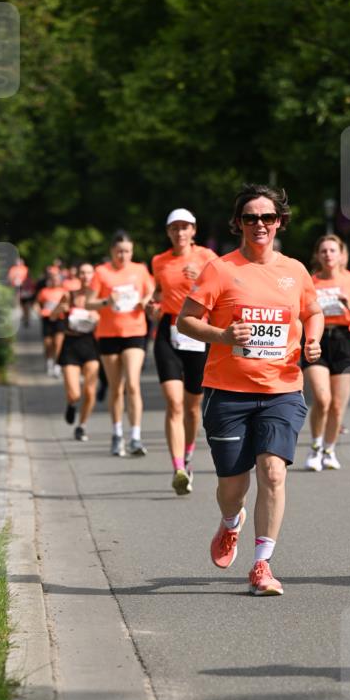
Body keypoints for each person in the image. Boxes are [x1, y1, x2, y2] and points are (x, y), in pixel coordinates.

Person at [177, 183, 323, 596]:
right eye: (250, 217)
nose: (260, 224)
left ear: (280, 222)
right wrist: (222, 335)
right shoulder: (220, 269)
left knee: (273, 472)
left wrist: (313, 339)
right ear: (238, 223)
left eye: (268, 217)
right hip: (228, 391)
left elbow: (312, 312)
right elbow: (185, 321)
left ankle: (262, 564)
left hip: (282, 388)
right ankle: (230, 524)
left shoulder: (294, 270)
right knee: (232, 487)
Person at [151, 208, 217, 494]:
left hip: (197, 331)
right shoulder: (159, 261)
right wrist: (151, 305)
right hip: (169, 330)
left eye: (184, 227)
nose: (179, 232)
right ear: (168, 232)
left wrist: (201, 277)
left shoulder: (208, 259)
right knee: (174, 402)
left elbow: (224, 294)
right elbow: (157, 291)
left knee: (192, 407)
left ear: (193, 231)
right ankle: (177, 467)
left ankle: (188, 456)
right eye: (174, 228)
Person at [302, 235, 350, 471]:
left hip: (344, 339)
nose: (328, 255)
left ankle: (330, 449)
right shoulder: (310, 282)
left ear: (341, 255)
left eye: (332, 250)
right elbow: (299, 315)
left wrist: (347, 305)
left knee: (338, 405)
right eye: (324, 251)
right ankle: (315, 447)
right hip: (317, 338)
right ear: (317, 256)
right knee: (322, 399)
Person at [89, 231, 155, 456]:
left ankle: (135, 437)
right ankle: (117, 434)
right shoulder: (101, 272)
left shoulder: (140, 270)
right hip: (108, 333)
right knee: (116, 388)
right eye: (119, 251)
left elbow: (151, 289)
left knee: (133, 384)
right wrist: (107, 301)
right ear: (111, 252)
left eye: (127, 251)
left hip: (135, 332)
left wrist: (145, 301)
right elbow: (89, 302)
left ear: (132, 251)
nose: (123, 255)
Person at [51, 263, 102, 442]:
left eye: (89, 272)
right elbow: (52, 316)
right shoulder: (69, 295)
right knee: (75, 393)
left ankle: (82, 425)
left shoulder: (100, 298)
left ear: (93, 275)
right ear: (77, 275)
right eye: (82, 272)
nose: (86, 275)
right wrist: (60, 310)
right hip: (71, 344)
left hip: (90, 344)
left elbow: (109, 318)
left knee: (90, 391)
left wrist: (96, 317)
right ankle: (72, 403)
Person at [36, 266, 67, 377]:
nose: (55, 281)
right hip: (47, 319)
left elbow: (67, 306)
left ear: (60, 280)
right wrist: (39, 311)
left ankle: (57, 366)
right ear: (50, 280)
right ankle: (49, 362)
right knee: (48, 344)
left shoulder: (64, 292)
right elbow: (37, 304)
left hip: (59, 319)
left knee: (58, 343)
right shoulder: (44, 291)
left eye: (57, 279)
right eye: (53, 279)